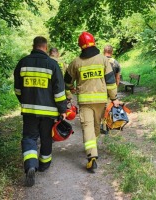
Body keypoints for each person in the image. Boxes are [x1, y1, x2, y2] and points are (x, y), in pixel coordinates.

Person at [13, 36, 67, 187]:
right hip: (49, 112)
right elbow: (59, 91)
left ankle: (30, 165)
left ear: (33, 45)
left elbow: (17, 89)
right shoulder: (52, 64)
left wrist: (24, 101)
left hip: (29, 110)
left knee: (29, 137)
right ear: (46, 46)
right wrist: (62, 109)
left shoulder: (23, 63)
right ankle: (44, 165)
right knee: (46, 137)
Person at [64, 32, 120, 173]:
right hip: (101, 101)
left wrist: (72, 89)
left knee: (88, 127)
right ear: (94, 43)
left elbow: (67, 81)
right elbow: (111, 81)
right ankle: (92, 153)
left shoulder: (76, 62)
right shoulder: (103, 60)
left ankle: (91, 154)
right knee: (95, 127)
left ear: (80, 46)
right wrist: (114, 98)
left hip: (85, 102)